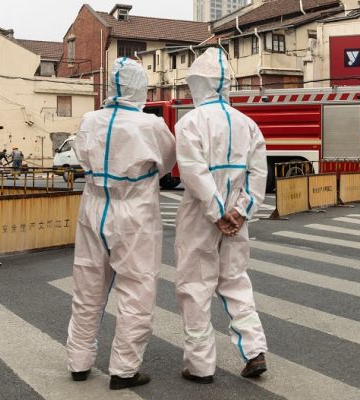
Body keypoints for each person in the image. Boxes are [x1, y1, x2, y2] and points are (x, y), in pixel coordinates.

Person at [65, 57, 176, 390]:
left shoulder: (89, 120)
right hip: (135, 208)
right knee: (136, 288)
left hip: (94, 204)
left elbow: (80, 155)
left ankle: (79, 362)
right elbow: (168, 162)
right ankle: (124, 370)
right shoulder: (150, 125)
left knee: (87, 285)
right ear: (140, 87)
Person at [174, 48, 268, 384]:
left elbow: (193, 172)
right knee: (236, 281)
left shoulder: (190, 123)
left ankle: (200, 365)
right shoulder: (248, 125)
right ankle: (254, 351)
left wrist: (216, 213)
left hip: (201, 214)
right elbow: (259, 176)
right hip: (235, 216)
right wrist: (240, 213)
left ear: (197, 84)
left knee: (196, 286)